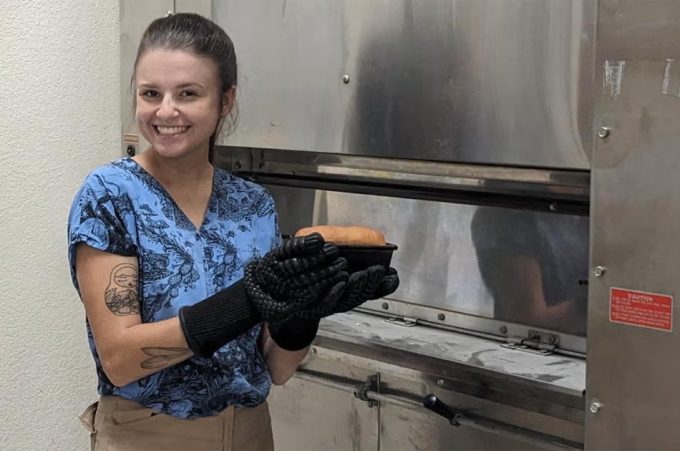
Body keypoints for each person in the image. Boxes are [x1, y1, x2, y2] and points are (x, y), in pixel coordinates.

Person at [67, 13, 398, 451]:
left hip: (250, 431)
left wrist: (303, 314)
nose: (165, 110)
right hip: (147, 435)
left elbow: (276, 369)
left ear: (226, 100)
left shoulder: (252, 204)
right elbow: (121, 360)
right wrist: (248, 300)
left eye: (188, 93)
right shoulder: (110, 195)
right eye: (151, 93)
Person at [471, 206, 588, 336]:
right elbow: (528, 322)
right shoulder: (507, 219)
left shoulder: (578, 211)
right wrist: (590, 304)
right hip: (545, 344)